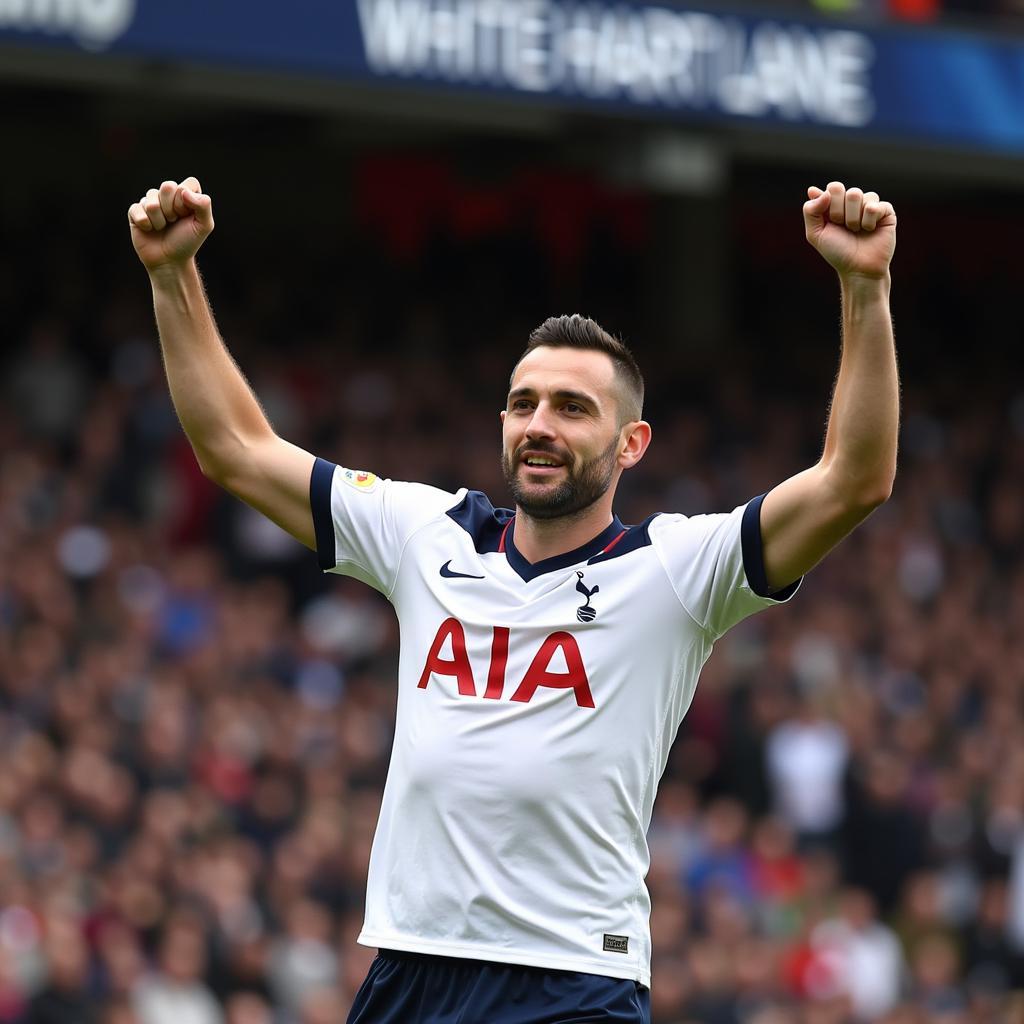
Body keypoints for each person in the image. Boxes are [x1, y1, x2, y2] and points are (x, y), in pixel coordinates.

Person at [127, 176, 898, 1024]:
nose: (540, 425)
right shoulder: (429, 533)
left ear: (630, 443)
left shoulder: (679, 568)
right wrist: (172, 275)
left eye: (572, 409)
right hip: (411, 967)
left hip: (569, 980)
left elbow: (853, 481)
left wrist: (864, 288)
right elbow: (236, 449)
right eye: (524, 404)